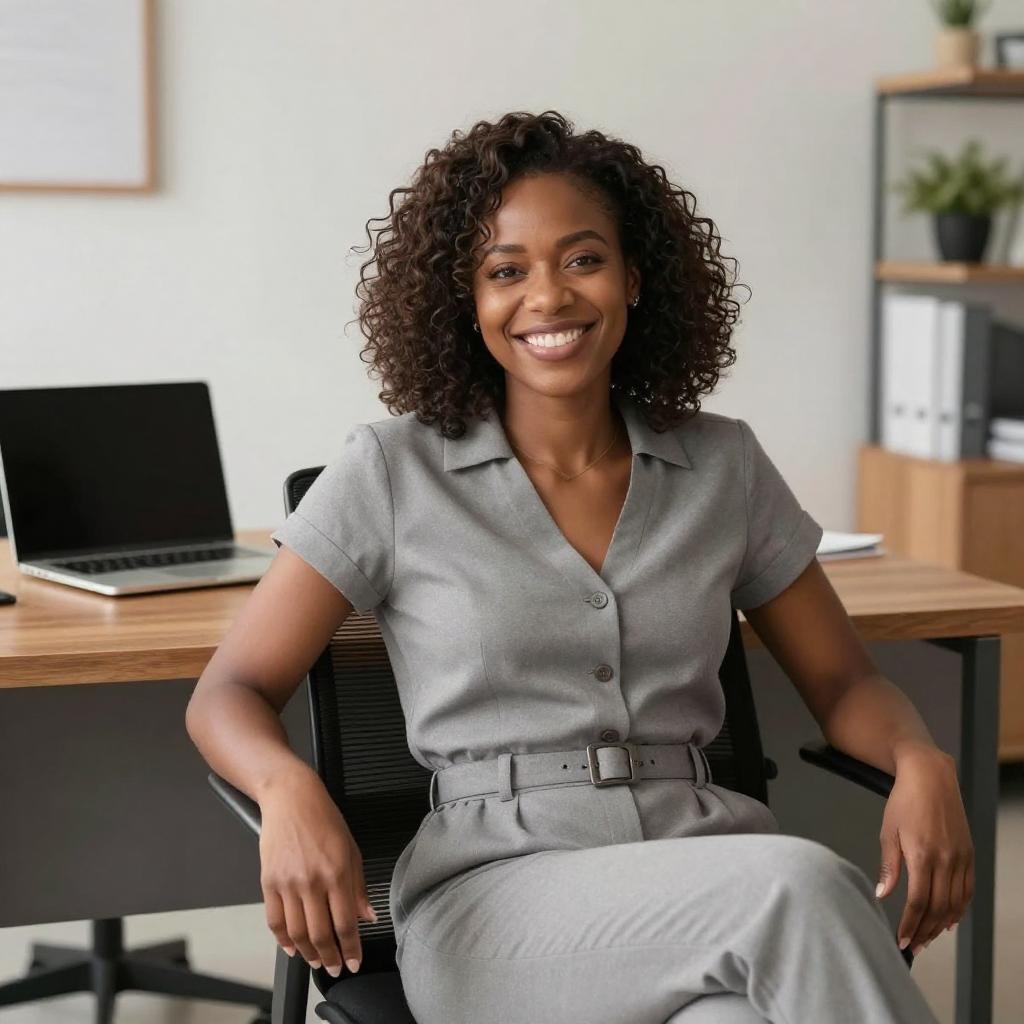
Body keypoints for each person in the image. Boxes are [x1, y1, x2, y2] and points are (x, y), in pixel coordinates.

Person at [185, 110, 972, 1023]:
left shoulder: (724, 465)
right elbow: (229, 689)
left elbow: (843, 682)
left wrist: (921, 758)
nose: (548, 296)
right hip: (495, 903)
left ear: (634, 278)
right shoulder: (392, 471)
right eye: (505, 271)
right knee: (802, 886)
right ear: (466, 300)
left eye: (583, 259)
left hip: (700, 862)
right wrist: (288, 790)